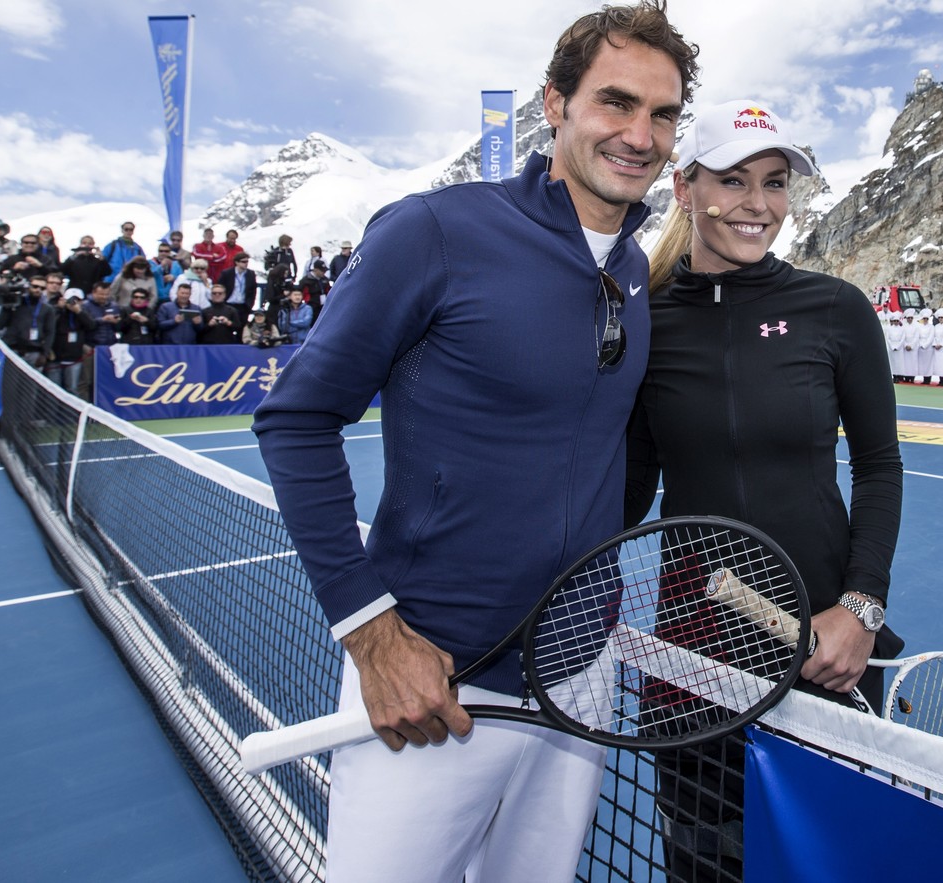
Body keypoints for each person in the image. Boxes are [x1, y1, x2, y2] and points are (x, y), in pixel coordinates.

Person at [251, 4, 698, 881]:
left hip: (577, 688)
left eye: (664, 114)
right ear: (555, 104)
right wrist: (375, 637)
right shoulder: (436, 230)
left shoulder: (636, 270)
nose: (640, 135)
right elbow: (296, 419)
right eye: (615, 102)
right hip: (433, 689)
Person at [626, 99, 904, 882]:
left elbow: (880, 465)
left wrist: (860, 609)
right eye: (734, 180)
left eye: (775, 183)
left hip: (827, 646)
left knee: (826, 859)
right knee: (704, 862)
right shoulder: (648, 319)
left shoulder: (836, 311)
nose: (758, 204)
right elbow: (627, 485)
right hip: (690, 648)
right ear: (685, 188)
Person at [45, 290, 92, 395]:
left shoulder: (82, 313)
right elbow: (50, 326)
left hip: (74, 359)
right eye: (71, 300)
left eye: (77, 300)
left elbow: (91, 325)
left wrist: (79, 312)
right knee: (54, 391)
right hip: (56, 358)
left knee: (72, 389)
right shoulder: (56, 311)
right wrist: (59, 308)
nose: (73, 302)